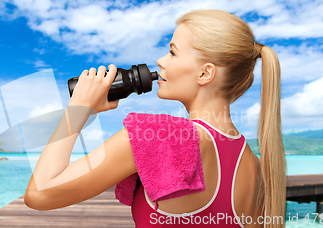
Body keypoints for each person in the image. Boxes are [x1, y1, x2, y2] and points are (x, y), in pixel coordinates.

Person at [24, 9, 286, 228]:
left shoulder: (164, 135)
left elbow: (40, 193)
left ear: (205, 74)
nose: (160, 61)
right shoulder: (257, 166)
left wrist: (78, 109)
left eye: (172, 52)